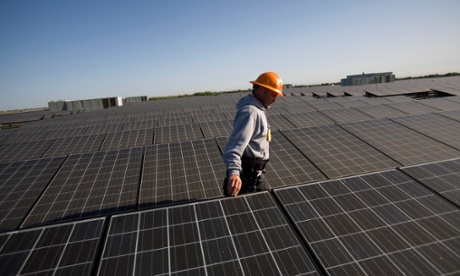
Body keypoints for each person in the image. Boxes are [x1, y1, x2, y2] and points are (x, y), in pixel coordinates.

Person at [223, 72, 284, 196]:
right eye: (273, 95)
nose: (275, 100)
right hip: (248, 179)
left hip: (255, 173)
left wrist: (260, 163)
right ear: (261, 91)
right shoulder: (251, 112)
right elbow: (234, 146)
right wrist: (234, 173)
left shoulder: (257, 109)